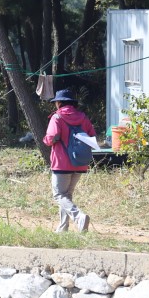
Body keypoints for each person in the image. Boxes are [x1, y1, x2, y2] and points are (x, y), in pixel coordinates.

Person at [43, 89, 96, 233]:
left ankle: (79, 217)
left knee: (59, 195)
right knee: (67, 196)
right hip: (80, 163)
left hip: (61, 163)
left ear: (59, 103)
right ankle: (62, 227)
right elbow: (92, 136)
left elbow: (52, 137)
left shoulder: (57, 117)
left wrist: (46, 140)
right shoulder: (83, 117)